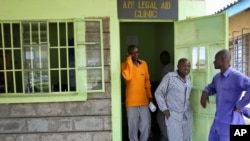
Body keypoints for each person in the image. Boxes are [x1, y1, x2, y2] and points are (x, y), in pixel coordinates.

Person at [200, 49, 250, 141]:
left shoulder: (236, 76)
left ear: (223, 59)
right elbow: (211, 87)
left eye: (215, 59)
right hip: (217, 126)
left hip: (231, 125)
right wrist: (205, 92)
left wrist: (240, 104)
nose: (213, 61)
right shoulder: (217, 77)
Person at [155, 58, 193, 141]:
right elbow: (158, 93)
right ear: (178, 66)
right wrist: (165, 109)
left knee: (187, 138)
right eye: (184, 66)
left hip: (186, 115)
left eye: (188, 66)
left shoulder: (188, 78)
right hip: (174, 115)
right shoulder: (170, 77)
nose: (186, 68)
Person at [121, 44, 153, 141]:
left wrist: (150, 97)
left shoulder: (144, 64)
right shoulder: (124, 65)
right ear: (128, 54)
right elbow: (128, 77)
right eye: (132, 53)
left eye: (137, 52)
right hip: (131, 103)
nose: (136, 55)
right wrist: (129, 61)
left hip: (144, 101)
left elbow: (147, 82)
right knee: (133, 128)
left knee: (146, 126)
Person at [156, 51, 174, 141]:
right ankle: (165, 136)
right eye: (162, 58)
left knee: (161, 117)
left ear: (169, 57)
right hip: (164, 98)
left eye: (165, 57)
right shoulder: (164, 68)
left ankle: (166, 137)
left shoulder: (170, 68)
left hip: (168, 99)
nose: (163, 59)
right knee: (161, 118)